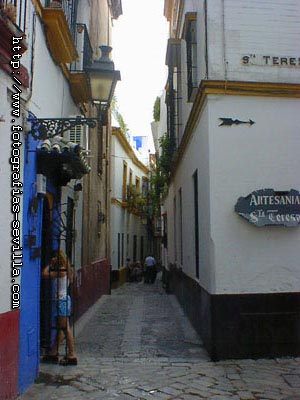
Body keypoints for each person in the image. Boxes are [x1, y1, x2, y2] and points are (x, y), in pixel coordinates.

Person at [42, 250, 77, 366]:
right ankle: (54, 352)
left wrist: (49, 264)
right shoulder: (64, 269)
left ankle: (72, 355)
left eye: (54, 257)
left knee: (65, 328)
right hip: (61, 301)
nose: (52, 259)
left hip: (61, 301)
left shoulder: (61, 270)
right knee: (61, 328)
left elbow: (45, 274)